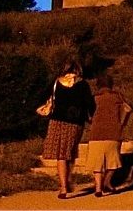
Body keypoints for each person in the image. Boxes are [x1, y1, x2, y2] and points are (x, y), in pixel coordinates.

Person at [41, 60, 96, 200]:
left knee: (61, 154)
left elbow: (45, 97)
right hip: (75, 122)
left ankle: (64, 186)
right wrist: (91, 117)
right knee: (69, 152)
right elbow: (90, 103)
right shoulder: (82, 84)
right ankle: (68, 179)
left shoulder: (56, 82)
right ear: (78, 70)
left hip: (56, 120)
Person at [84, 73, 132, 197]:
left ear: (98, 85)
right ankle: (107, 181)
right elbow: (128, 109)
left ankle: (98, 188)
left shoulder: (94, 98)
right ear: (111, 84)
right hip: (114, 132)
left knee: (97, 163)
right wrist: (122, 122)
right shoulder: (118, 97)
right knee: (114, 161)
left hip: (96, 133)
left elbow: (88, 115)